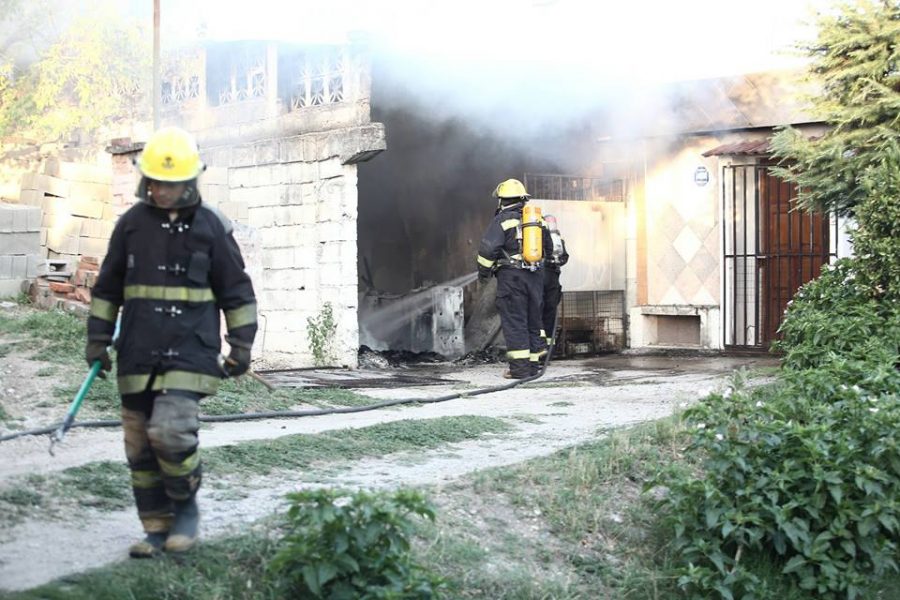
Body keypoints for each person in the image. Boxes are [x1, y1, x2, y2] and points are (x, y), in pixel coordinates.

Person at [86, 126, 257, 558]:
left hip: (191, 351)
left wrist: (240, 347)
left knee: (170, 432)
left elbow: (237, 292)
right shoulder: (131, 226)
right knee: (139, 443)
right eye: (157, 182)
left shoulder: (212, 228)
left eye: (173, 183)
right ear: (146, 180)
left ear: (190, 181)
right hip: (138, 353)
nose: (163, 191)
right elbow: (108, 290)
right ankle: (155, 528)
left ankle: (185, 511)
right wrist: (97, 340)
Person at [476, 178, 552, 378]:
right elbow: (550, 250)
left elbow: (488, 249)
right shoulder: (538, 220)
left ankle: (519, 370)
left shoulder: (502, 220)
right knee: (533, 321)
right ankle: (534, 367)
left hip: (512, 279)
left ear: (502, 200)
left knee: (515, 322)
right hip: (535, 277)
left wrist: (483, 273)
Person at [541, 214, 569, 354]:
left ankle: (544, 351)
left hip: (546, 278)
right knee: (546, 313)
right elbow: (565, 257)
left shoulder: (554, 238)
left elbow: (565, 257)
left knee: (544, 313)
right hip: (549, 278)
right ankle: (546, 350)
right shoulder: (554, 239)